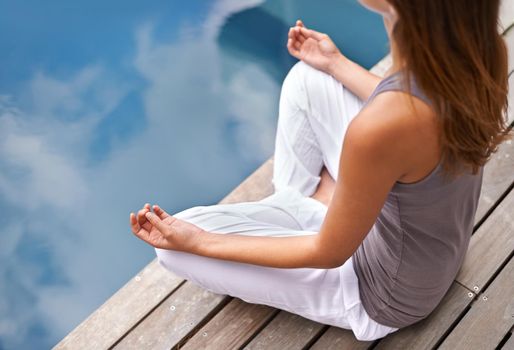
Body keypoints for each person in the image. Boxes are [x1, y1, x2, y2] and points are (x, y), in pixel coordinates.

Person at [129, 0, 510, 341]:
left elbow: (329, 252)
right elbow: (415, 117)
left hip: (382, 292)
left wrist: (199, 242)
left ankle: (316, 208)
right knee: (309, 79)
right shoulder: (484, 50)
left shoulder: (381, 129)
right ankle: (313, 205)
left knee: (176, 252)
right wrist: (335, 62)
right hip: (429, 249)